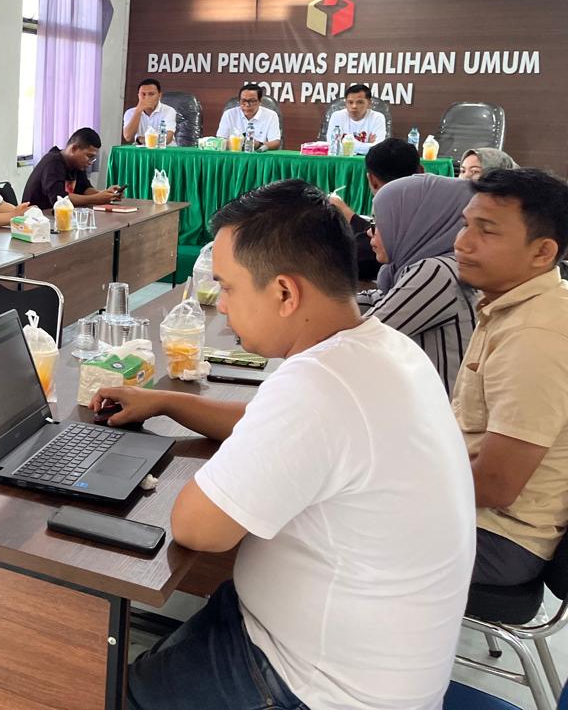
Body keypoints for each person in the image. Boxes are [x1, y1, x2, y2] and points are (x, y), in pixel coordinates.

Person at [93, 180, 473, 710]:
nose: (223, 306)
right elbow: (266, 425)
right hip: (335, 653)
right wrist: (164, 402)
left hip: (310, 687)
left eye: (227, 288)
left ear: (285, 293)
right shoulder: (383, 347)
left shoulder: (319, 384)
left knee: (101, 690)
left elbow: (196, 528)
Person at [452, 168, 568, 587]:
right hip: (473, 513)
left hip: (496, 536)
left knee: (303, 529)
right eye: (466, 225)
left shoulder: (536, 334)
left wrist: (389, 482)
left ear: (542, 252)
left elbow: (497, 485)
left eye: (486, 231)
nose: (462, 243)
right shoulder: (513, 308)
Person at [357, 174, 477, 390]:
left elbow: (362, 337)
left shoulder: (437, 272)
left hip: (443, 408)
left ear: (414, 222)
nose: (369, 231)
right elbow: (378, 299)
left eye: (378, 222)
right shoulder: (408, 269)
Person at [329, 137, 423, 280]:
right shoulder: (443, 212)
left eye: (376, 224)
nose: (370, 232)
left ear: (372, 180)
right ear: (421, 171)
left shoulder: (370, 250)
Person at [22, 129, 123, 210]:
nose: (90, 162)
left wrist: (106, 194)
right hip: (36, 219)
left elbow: (85, 189)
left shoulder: (77, 164)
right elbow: (60, 199)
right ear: (74, 149)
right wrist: (96, 199)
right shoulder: (53, 163)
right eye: (89, 156)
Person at [215, 83, 281, 151]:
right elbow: (220, 139)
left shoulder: (271, 115)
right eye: (243, 101)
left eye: (252, 101)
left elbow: (275, 142)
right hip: (234, 154)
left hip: (258, 154)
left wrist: (259, 145)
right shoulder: (229, 114)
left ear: (260, 101)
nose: (247, 105)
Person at [326, 83, 386, 154]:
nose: (354, 106)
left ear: (369, 103)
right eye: (350, 102)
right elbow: (333, 147)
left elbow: (378, 149)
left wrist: (344, 143)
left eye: (359, 102)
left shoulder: (377, 118)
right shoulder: (337, 116)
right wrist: (367, 146)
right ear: (346, 103)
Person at [122, 78, 176, 146]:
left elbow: (167, 139)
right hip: (142, 151)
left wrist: (141, 140)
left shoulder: (169, 111)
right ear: (138, 96)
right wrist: (138, 110)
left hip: (165, 150)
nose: (147, 97)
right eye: (143, 94)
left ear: (159, 96)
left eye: (151, 94)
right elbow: (128, 137)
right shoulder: (130, 112)